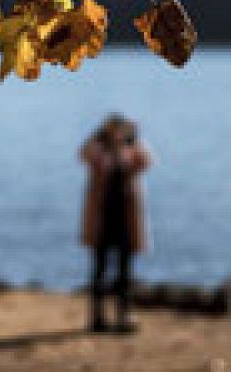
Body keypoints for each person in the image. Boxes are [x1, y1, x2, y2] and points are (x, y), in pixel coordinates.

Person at [80, 113, 152, 334]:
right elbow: (84, 154)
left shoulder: (131, 152)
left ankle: (124, 316)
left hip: (125, 221)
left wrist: (134, 138)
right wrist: (99, 135)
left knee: (124, 272)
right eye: (114, 129)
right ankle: (97, 318)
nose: (117, 134)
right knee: (99, 270)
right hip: (102, 221)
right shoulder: (99, 151)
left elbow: (147, 160)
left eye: (121, 130)